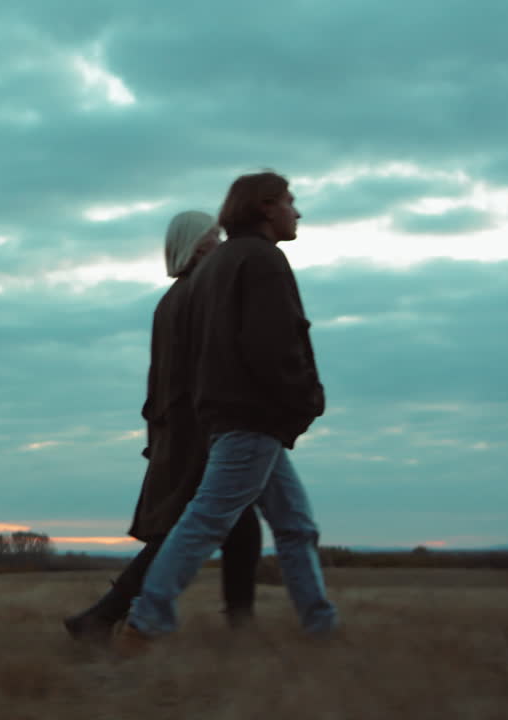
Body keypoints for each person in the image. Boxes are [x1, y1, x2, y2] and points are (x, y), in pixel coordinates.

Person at [121, 172, 337, 649]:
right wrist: (307, 399)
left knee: (295, 526)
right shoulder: (261, 260)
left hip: (235, 414)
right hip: (254, 414)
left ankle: (321, 627)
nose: (297, 212)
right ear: (265, 207)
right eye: (289, 202)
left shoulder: (219, 266)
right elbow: (274, 343)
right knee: (208, 519)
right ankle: (147, 619)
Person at [63, 210, 262, 643]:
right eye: (214, 236)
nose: (221, 243)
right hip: (198, 432)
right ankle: (103, 616)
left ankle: (240, 627)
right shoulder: (197, 296)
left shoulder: (174, 298)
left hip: (184, 430)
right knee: (186, 530)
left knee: (237, 525)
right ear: (198, 246)